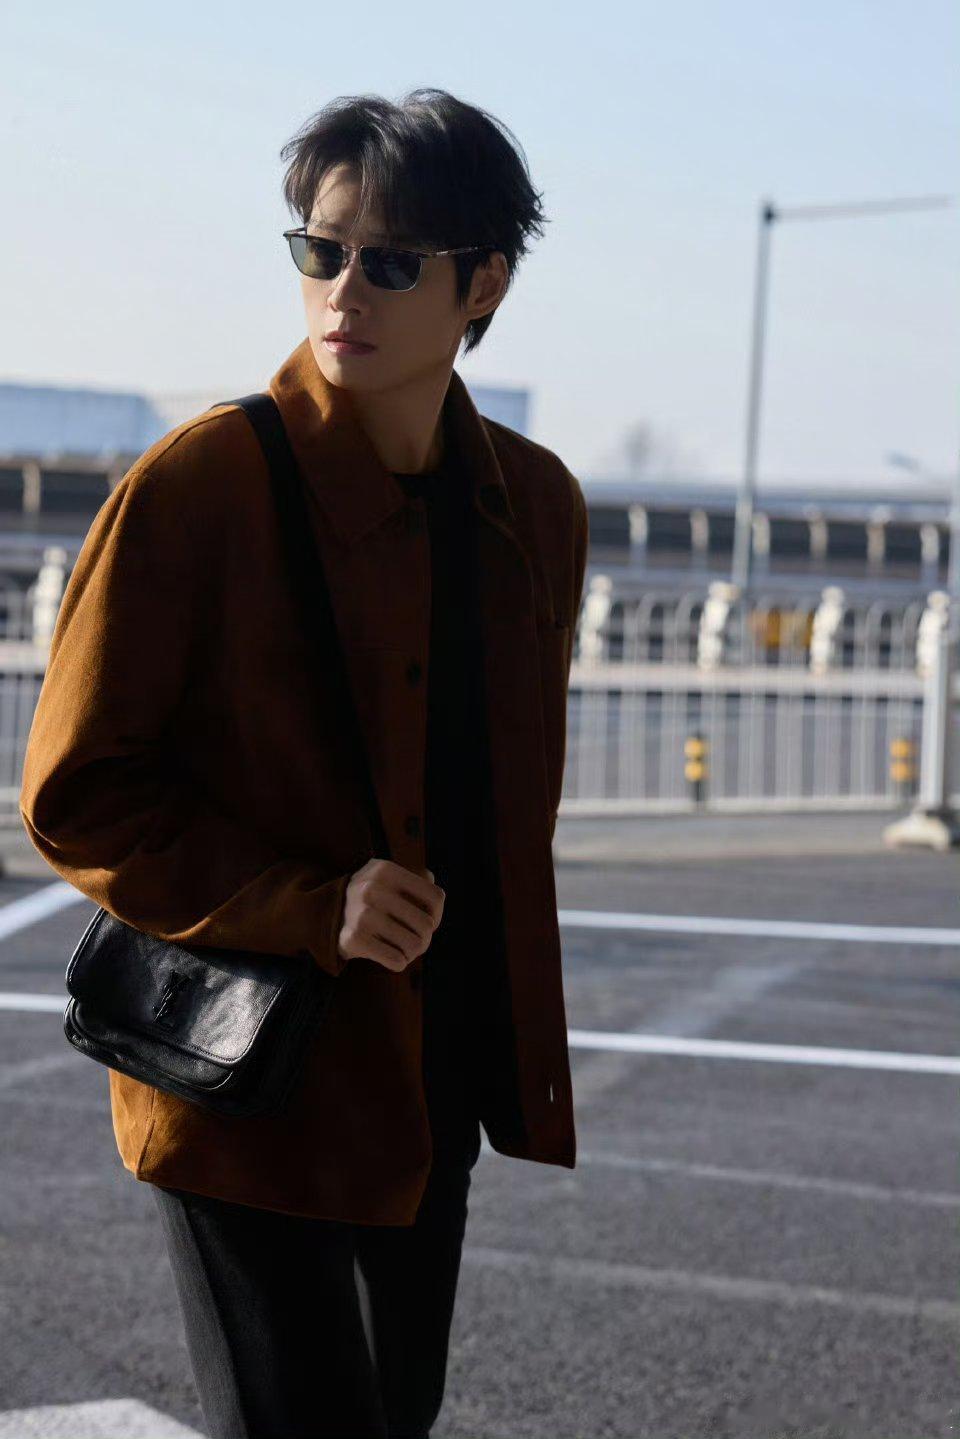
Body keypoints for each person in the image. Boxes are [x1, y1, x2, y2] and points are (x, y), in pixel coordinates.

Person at [19, 87, 589, 1438]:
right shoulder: (198, 486)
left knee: (394, 1418)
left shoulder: (535, 508)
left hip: (428, 1073)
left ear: (483, 285)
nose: (343, 289)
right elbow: (77, 793)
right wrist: (310, 903)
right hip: (241, 1071)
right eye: (320, 250)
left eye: (390, 263)